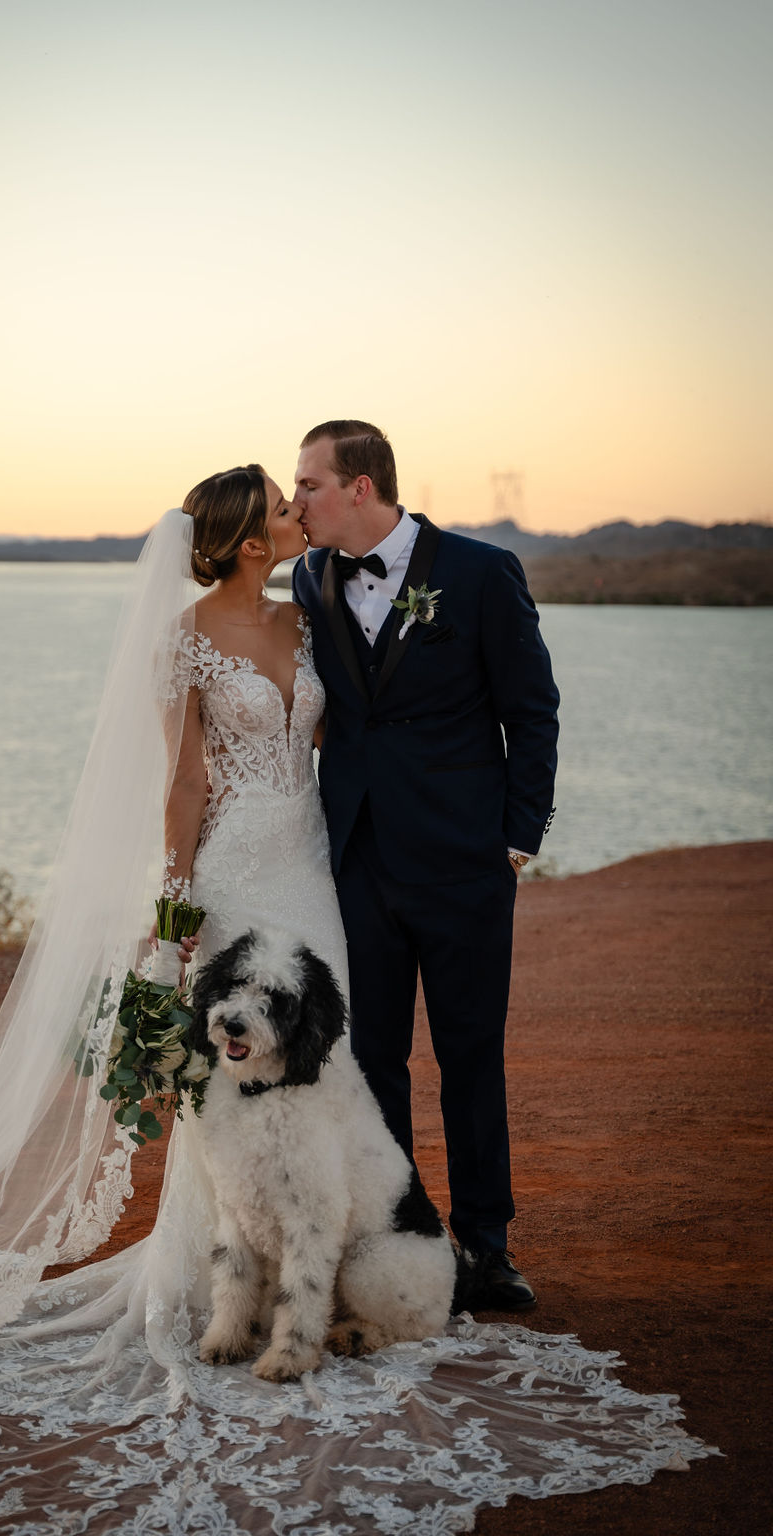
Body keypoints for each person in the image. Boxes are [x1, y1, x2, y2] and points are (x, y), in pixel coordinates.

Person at [0, 467, 709, 1533]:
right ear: (251, 538)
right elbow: (185, 780)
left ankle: (343, 1259)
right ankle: (224, 1279)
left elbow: (369, 731)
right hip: (234, 873)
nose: (299, 513)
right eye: (282, 504)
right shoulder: (184, 635)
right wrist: (173, 900)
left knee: (326, 1067)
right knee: (232, 1079)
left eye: (303, 493)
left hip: (319, 871)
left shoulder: (315, 613)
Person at [292, 419, 559, 1312]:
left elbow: (533, 709)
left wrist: (518, 836)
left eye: (309, 486)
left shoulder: (483, 573)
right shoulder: (305, 578)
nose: (297, 504)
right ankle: (399, 1240)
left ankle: (486, 1246)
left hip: (464, 861)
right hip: (358, 859)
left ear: (360, 487)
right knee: (372, 1058)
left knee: (471, 1053)